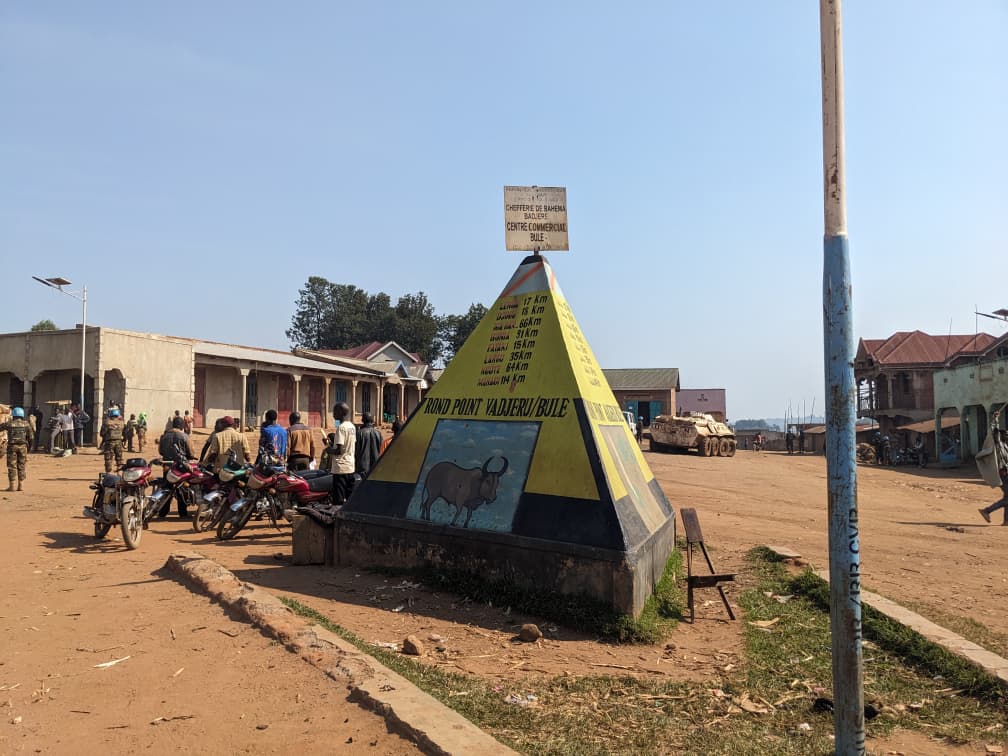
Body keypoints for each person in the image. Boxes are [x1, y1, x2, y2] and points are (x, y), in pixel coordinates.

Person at [979, 411, 1008, 525]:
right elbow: (993, 432)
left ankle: (1006, 521)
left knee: (1007, 497)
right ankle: (987, 510)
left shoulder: (1006, 446)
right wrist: (995, 420)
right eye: (1005, 434)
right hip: (1003, 474)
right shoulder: (999, 445)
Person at [329, 403, 357, 505]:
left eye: (335, 411)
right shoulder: (352, 427)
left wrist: (329, 450)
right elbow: (348, 445)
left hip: (340, 468)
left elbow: (339, 451)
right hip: (350, 466)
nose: (333, 414)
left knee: (338, 499)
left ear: (341, 412)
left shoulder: (341, 428)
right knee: (350, 498)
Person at [1, 407, 34, 491]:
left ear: (13, 415)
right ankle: (21, 486)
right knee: (21, 465)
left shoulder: (9, 424)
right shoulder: (26, 424)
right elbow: (31, 438)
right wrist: (29, 448)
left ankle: (12, 486)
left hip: (12, 447)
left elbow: (0, 427)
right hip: (23, 447)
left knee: (12, 466)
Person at [355, 413, 382, 479]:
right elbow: (380, 449)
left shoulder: (359, 433)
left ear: (362, 420)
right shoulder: (378, 433)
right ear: (372, 421)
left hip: (362, 468)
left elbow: (356, 451)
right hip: (375, 467)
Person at [99, 408, 125, 473]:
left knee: (108, 459)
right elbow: (124, 432)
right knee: (119, 459)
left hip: (109, 443)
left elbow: (102, 433)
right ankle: (120, 473)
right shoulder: (121, 423)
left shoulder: (107, 423)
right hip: (119, 442)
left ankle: (108, 473)